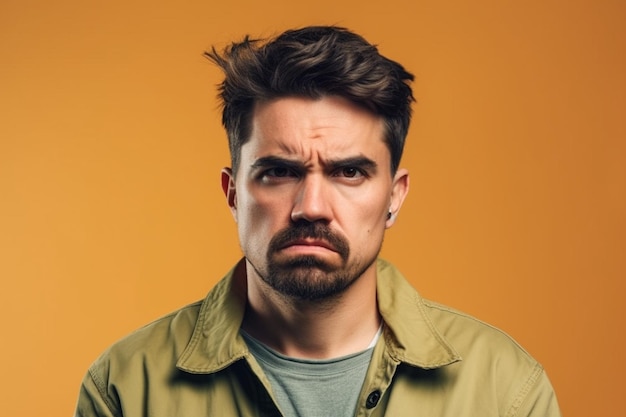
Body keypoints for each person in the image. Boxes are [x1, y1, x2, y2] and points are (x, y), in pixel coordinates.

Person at [75, 26, 561, 417]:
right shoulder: (125, 388)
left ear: (394, 196)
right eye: (279, 172)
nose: (311, 206)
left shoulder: (505, 390)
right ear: (233, 194)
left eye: (348, 172)